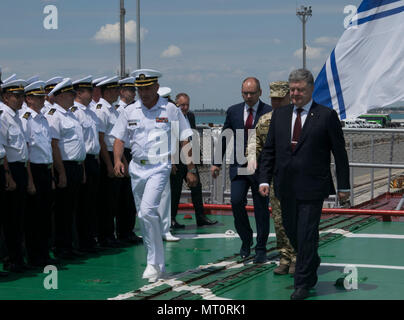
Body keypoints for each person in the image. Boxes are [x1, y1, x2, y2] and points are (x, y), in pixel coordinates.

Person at [258, 69, 350, 300]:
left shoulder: (326, 115)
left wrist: (344, 187)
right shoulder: (279, 115)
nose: (296, 93)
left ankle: (302, 283)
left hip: (312, 186)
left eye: (300, 89)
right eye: (293, 90)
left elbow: (339, 154)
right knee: (291, 232)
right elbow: (269, 150)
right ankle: (311, 259)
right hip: (284, 186)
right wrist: (263, 178)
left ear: (310, 90)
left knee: (307, 233)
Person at [111, 68, 196, 282]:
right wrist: (117, 160)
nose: (144, 92)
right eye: (140, 88)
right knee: (145, 215)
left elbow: (184, 138)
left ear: (156, 87)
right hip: (137, 168)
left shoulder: (170, 109)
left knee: (148, 211)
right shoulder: (130, 111)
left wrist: (190, 168)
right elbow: (119, 138)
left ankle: (152, 262)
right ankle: (158, 263)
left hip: (160, 166)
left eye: (148, 88)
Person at [211, 77, 272, 264]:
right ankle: (246, 239)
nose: (248, 96)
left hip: (260, 168)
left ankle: (261, 247)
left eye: (252, 93)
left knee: (261, 209)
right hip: (239, 165)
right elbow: (224, 137)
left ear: (260, 93)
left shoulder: (270, 112)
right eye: (245, 93)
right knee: (236, 201)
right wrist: (216, 163)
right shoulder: (234, 111)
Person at [247, 81, 296, 275]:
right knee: (279, 220)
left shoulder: (297, 119)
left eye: (279, 99)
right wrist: (252, 160)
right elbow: (254, 143)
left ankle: (297, 256)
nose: (275, 103)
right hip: (276, 179)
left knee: (296, 220)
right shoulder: (266, 120)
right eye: (273, 99)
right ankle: (285, 257)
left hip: (297, 178)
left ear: (288, 97)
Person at [45, 78, 86, 260]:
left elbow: (78, 144)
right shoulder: (54, 115)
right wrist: (61, 173)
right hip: (65, 166)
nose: (73, 97)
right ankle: (61, 247)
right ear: (60, 96)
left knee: (72, 209)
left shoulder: (72, 115)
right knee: (62, 211)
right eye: (71, 94)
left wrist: (82, 168)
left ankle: (69, 245)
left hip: (76, 165)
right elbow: (54, 146)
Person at [20, 80, 57, 267]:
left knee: (44, 216)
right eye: (37, 97)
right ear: (29, 99)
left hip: (45, 169)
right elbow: (26, 151)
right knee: (33, 217)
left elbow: (47, 148)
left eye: (43, 97)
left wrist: (50, 175)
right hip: (33, 169)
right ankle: (34, 255)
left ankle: (43, 252)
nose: (42, 100)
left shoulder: (43, 118)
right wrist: (30, 180)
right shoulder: (26, 119)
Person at [171, 92, 217, 228]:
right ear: (176, 104)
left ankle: (200, 217)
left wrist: (198, 154)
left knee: (196, 186)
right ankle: (172, 219)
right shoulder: (173, 117)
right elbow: (173, 140)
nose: (184, 108)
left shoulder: (190, 116)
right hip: (177, 159)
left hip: (189, 158)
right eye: (182, 105)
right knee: (175, 189)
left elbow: (192, 137)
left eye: (187, 105)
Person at [0, 79, 30, 272]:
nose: (20, 100)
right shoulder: (3, 116)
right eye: (16, 96)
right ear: (5, 97)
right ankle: (11, 258)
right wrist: (8, 175)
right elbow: (2, 149)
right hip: (9, 169)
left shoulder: (17, 116)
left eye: (21, 96)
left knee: (18, 217)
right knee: (9, 218)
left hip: (20, 169)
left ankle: (18, 258)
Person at [91, 76, 123, 248]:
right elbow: (101, 139)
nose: (117, 92)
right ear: (107, 91)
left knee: (114, 199)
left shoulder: (114, 110)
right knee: (106, 200)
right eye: (114, 90)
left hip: (115, 155)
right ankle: (105, 235)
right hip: (107, 157)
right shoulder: (101, 110)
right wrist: (110, 164)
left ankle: (111, 233)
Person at [71, 76, 102, 252]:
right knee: (82, 205)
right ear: (80, 93)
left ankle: (90, 239)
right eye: (89, 91)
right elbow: (79, 142)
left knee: (92, 203)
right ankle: (82, 241)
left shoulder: (90, 112)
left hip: (93, 160)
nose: (92, 94)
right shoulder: (75, 112)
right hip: (83, 160)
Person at [114, 77, 142, 244]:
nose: (133, 93)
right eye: (130, 90)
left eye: (134, 90)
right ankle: (122, 232)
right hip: (123, 153)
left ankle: (128, 230)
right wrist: (122, 160)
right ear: (122, 91)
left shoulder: (134, 109)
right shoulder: (119, 110)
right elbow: (118, 138)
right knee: (122, 197)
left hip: (132, 153)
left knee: (131, 196)